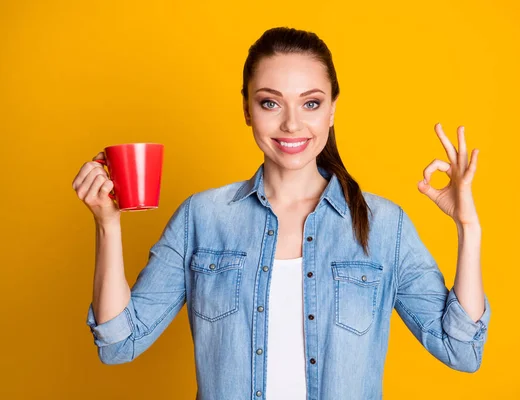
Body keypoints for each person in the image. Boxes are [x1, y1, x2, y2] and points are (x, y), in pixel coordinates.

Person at [72, 26, 491, 400]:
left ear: (332, 110)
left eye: (310, 104)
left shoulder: (384, 225)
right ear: (246, 109)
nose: (292, 124)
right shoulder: (202, 218)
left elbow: (461, 350)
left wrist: (468, 228)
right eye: (271, 103)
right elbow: (118, 342)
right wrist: (108, 225)